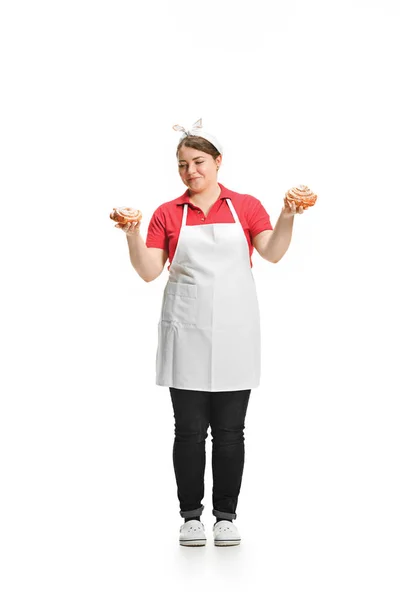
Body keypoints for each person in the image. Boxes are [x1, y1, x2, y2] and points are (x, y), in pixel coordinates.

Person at [114, 119, 305, 547]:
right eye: (182, 164)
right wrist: (130, 235)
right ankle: (190, 517)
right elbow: (149, 272)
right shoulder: (167, 213)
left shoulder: (246, 206)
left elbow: (272, 252)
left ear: (218, 162)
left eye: (198, 162)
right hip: (187, 331)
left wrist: (287, 215)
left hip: (236, 333)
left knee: (231, 431)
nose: (190, 171)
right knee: (188, 431)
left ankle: (225, 516)